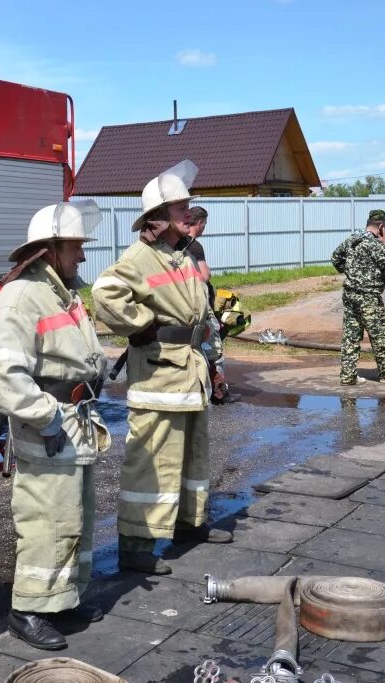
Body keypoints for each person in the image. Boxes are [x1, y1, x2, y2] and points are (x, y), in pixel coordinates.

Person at [92, 160, 232, 578]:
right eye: (179, 207)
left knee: (192, 455)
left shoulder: (181, 256)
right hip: (158, 376)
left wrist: (213, 362)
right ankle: (136, 544)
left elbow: (198, 316)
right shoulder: (141, 257)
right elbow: (104, 293)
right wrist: (141, 326)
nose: (187, 213)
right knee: (152, 460)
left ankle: (189, 526)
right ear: (158, 217)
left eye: (187, 205)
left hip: (190, 371)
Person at [0, 200, 111, 651]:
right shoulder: (20, 297)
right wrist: (49, 418)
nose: (81, 256)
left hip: (73, 421)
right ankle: (27, 609)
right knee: (46, 519)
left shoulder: (64, 292)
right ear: (51, 248)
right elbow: (6, 377)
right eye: (75, 247)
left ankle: (62, 598)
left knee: (76, 515)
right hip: (48, 426)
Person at [331, 209, 385, 386]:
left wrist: (352, 272)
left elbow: (335, 257)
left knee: (351, 335)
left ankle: (348, 375)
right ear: (381, 226)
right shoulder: (375, 244)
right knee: (380, 335)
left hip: (350, 294)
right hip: (368, 296)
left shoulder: (353, 239)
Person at [189, 206, 241, 404]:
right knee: (214, 348)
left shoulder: (173, 244)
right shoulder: (194, 245)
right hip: (201, 304)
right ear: (200, 222)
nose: (204, 228)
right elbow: (204, 275)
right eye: (204, 224)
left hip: (185, 306)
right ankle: (219, 393)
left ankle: (200, 389)